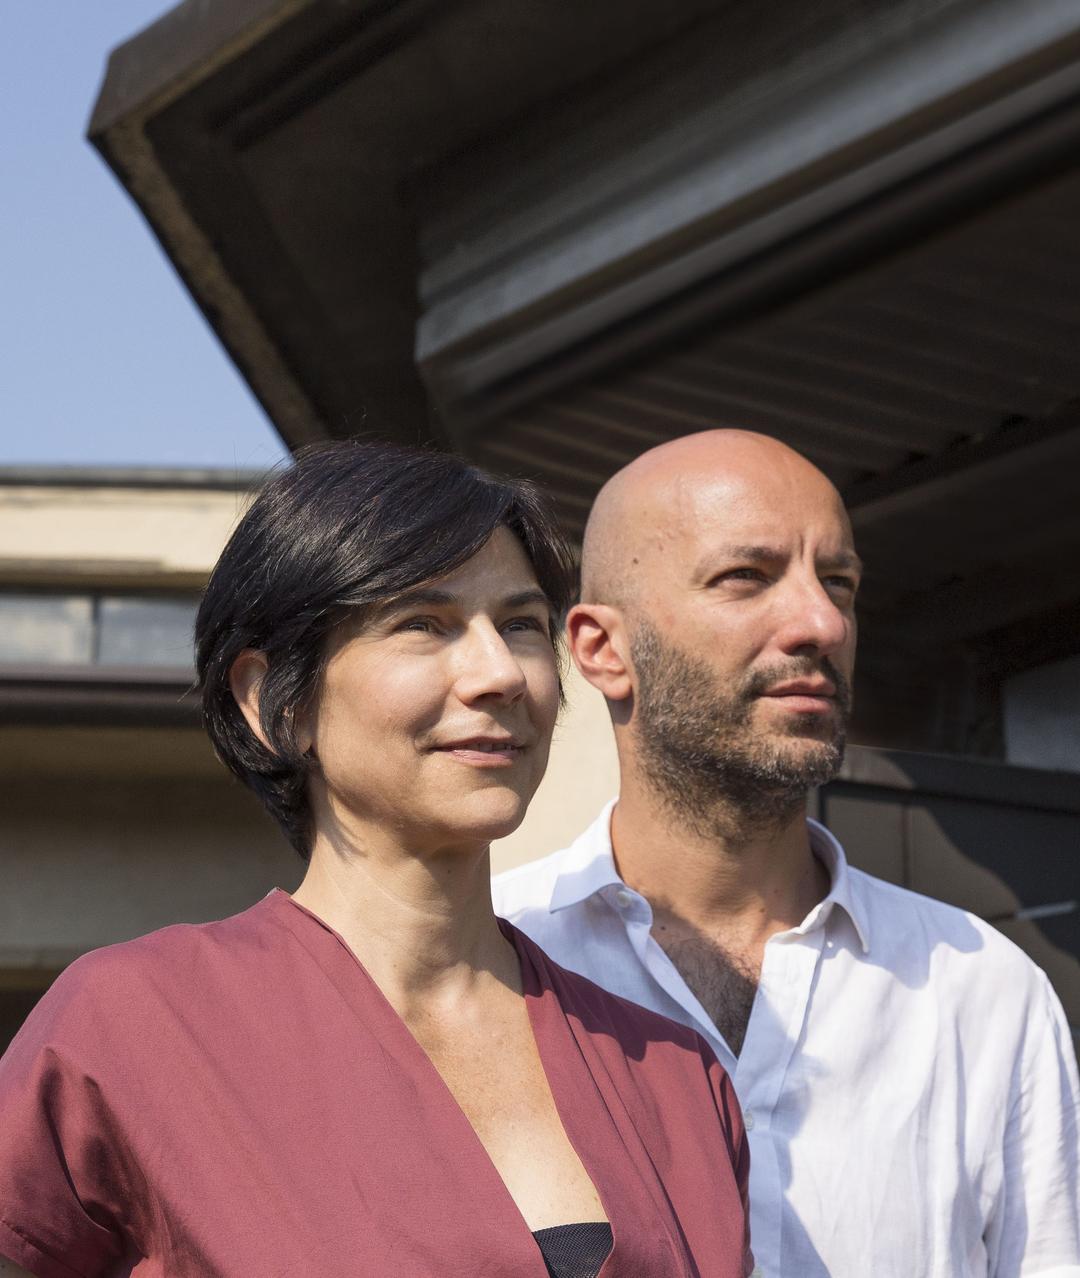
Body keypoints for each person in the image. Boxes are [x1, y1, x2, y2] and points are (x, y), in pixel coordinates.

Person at [0, 440, 752, 1278]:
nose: (499, 673)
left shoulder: (676, 1080)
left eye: (521, 625)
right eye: (422, 624)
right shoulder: (130, 1031)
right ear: (275, 703)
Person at [494, 428, 1080, 1278]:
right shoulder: (489, 965)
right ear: (601, 650)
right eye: (746, 576)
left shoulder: (978, 989)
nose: (823, 622)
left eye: (839, 582)